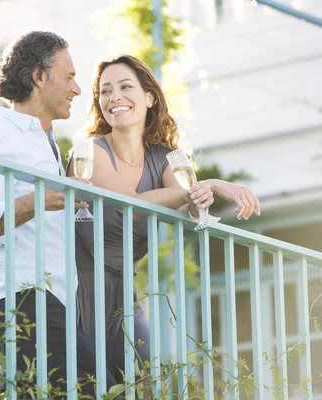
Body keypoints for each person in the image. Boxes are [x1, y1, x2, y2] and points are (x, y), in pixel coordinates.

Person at [68, 54, 260, 393]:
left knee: (148, 380)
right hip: (75, 290)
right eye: (105, 91)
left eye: (126, 87)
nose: (114, 98)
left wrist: (199, 192)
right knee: (87, 387)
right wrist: (211, 185)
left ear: (149, 97)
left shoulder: (171, 156)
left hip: (124, 295)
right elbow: (133, 205)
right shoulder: (87, 150)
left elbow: (194, 204)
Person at [0, 31, 116, 397]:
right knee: (91, 388)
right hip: (21, 298)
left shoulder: (45, 141)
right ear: (39, 77)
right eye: (69, 77)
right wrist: (38, 199)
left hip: (54, 299)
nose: (77, 89)